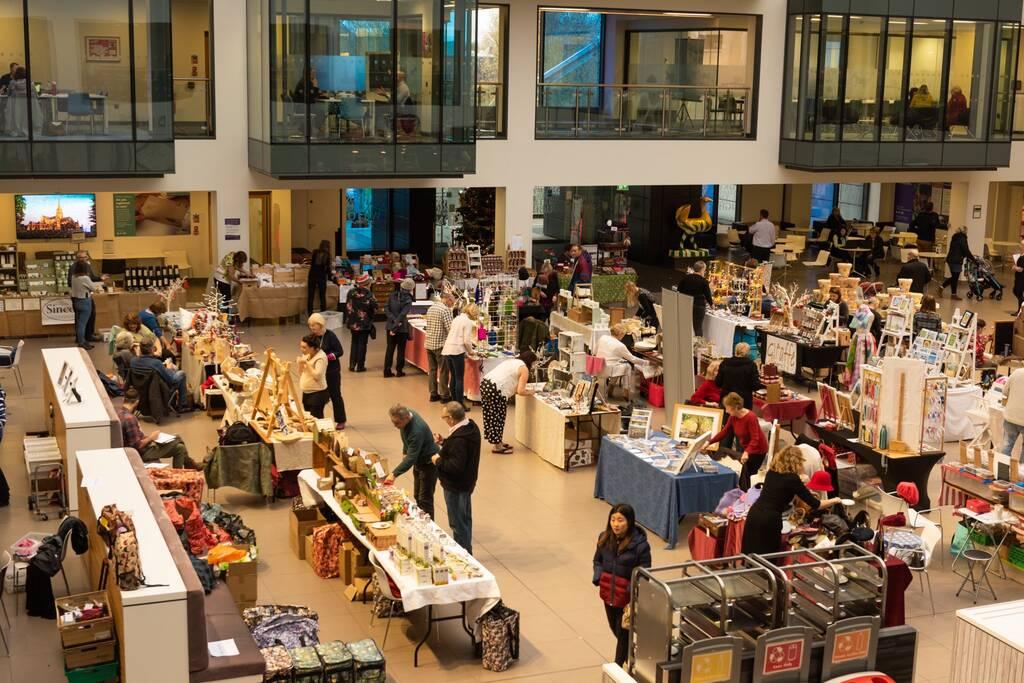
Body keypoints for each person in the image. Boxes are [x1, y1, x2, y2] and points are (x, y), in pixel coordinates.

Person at [741, 446, 841, 555]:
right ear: (796, 461)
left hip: (754, 514)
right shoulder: (793, 479)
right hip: (769, 520)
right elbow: (816, 504)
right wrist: (835, 500)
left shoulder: (772, 472)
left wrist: (804, 488)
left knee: (749, 555)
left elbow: (781, 490)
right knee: (766, 558)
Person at [592, 504, 651, 667]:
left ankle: (617, 666)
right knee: (615, 629)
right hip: (608, 595)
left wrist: (631, 591)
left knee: (623, 633)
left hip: (626, 599)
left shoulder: (640, 546)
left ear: (629, 522)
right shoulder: (603, 538)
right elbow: (597, 560)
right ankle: (633, 657)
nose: (616, 524)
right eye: (613, 519)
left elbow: (644, 572)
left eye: (620, 520)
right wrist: (598, 576)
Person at [431, 402, 481, 555]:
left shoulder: (459, 439)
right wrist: (445, 442)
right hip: (466, 483)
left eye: (444, 417)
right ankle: (465, 551)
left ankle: (464, 555)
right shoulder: (470, 429)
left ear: (451, 418)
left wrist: (437, 460)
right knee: (464, 519)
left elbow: (455, 467)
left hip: (456, 486)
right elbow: (459, 451)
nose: (444, 420)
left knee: (458, 523)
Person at [118, 388, 201, 469]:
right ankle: (188, 464)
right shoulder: (130, 419)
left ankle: (187, 466)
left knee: (179, 447)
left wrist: (148, 437)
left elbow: (133, 438)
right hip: (142, 453)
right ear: (136, 402)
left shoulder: (120, 413)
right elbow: (137, 446)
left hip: (136, 449)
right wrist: (151, 437)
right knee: (178, 439)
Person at [707, 392, 769, 490]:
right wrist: (709, 442)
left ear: (735, 408)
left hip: (758, 450)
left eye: (728, 408)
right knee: (742, 472)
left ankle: (746, 496)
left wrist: (746, 452)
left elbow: (755, 439)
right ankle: (741, 493)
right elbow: (724, 432)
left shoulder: (751, 417)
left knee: (747, 475)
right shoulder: (733, 417)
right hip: (747, 449)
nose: (726, 411)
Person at [385, 405, 439, 518]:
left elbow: (411, 458)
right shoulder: (407, 415)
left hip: (428, 464)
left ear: (406, 418)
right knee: (417, 495)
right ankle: (421, 519)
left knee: (425, 500)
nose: (395, 426)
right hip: (419, 462)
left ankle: (429, 527)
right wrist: (405, 450)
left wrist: (394, 474)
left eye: (397, 423)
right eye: (393, 422)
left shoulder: (417, 431)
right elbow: (405, 435)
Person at [480, 352, 536, 454]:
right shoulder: (524, 369)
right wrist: (531, 392)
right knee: (498, 417)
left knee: (490, 414)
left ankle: (498, 442)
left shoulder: (513, 361)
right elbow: (520, 391)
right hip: (497, 389)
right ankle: (497, 447)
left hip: (486, 383)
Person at [308, 313, 346, 429]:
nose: (312, 328)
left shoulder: (330, 335)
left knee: (335, 396)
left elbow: (340, 351)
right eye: (310, 325)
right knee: (318, 397)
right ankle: (317, 420)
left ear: (320, 325)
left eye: (314, 325)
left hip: (332, 371)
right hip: (318, 372)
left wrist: (326, 357)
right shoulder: (312, 337)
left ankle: (340, 420)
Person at [130, 340, 191, 412]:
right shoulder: (156, 363)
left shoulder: (133, 361)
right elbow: (170, 380)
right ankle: (182, 405)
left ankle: (175, 403)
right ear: (152, 349)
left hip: (140, 390)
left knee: (174, 372)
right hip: (158, 391)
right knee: (181, 374)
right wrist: (169, 368)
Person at [442, 302, 479, 408]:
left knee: (453, 377)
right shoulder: (467, 322)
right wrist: (471, 351)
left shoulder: (457, 318)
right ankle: (460, 404)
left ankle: (454, 402)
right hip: (457, 351)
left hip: (447, 349)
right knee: (459, 379)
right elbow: (466, 341)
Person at [595, 323, 644, 399]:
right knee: (627, 366)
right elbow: (633, 359)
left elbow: (595, 352)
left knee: (619, 365)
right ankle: (625, 391)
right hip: (609, 370)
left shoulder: (602, 338)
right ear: (620, 334)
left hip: (598, 367)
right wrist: (646, 362)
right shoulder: (620, 345)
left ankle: (610, 389)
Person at [68, 251, 107, 343]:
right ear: (77, 258)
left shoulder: (85, 268)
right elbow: (90, 285)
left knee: (88, 317)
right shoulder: (74, 268)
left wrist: (100, 278)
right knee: (81, 320)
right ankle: (82, 339)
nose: (84, 259)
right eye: (82, 257)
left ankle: (86, 336)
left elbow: (92, 278)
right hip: (83, 298)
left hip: (80, 297)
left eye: (85, 257)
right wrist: (86, 286)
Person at [424, 292, 454, 402]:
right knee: (443, 371)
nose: (453, 303)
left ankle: (433, 394)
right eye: (452, 301)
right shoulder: (446, 310)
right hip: (441, 345)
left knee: (432, 370)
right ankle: (445, 395)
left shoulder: (431, 308)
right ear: (447, 299)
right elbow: (450, 328)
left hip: (429, 343)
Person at [715, 342, 762, 410]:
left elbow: (718, 383)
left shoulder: (724, 363)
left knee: (725, 419)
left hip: (726, 400)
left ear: (735, 350)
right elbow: (755, 386)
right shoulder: (751, 365)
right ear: (747, 352)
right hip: (743, 402)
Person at [345, 273, 377, 373]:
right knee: (362, 344)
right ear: (367, 283)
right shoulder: (369, 294)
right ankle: (360, 366)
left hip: (353, 322)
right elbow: (375, 308)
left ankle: (351, 365)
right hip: (364, 323)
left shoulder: (350, 292)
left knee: (354, 342)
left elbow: (347, 306)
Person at [384, 279, 414, 378]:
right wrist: (396, 326)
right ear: (410, 289)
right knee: (401, 350)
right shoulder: (408, 300)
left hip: (390, 325)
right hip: (401, 328)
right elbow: (402, 315)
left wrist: (392, 322)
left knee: (390, 349)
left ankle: (387, 371)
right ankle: (399, 371)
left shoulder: (392, 295)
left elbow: (386, 308)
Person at [70, 261, 102, 349]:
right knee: (83, 323)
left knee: (79, 323)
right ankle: (82, 342)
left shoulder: (73, 277)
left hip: (76, 301)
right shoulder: (85, 278)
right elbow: (93, 288)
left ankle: (82, 340)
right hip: (85, 301)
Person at [676, 261, 714, 335]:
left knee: (685, 326)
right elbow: (708, 295)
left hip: (686, 304)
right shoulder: (704, 281)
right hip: (698, 306)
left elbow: (679, 290)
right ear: (702, 270)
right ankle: (698, 345)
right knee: (697, 327)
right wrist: (712, 305)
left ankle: (684, 342)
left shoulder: (686, 278)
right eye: (704, 270)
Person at [297, 334, 329, 419]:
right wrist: (300, 364)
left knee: (316, 420)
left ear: (312, 348)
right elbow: (301, 373)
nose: (302, 349)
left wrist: (307, 363)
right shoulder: (306, 354)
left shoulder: (321, 357)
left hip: (317, 394)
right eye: (301, 346)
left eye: (304, 347)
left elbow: (317, 376)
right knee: (308, 418)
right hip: (307, 393)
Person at [939, 226, 974, 300]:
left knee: (954, 277)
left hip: (951, 259)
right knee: (955, 277)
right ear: (964, 231)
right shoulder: (962, 238)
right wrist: (974, 260)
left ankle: (952, 293)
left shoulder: (955, 237)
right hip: (956, 260)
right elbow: (966, 250)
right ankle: (944, 289)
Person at [1001, 366, 1024, 457]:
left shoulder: (1016, 372)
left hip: (1011, 416)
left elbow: (1004, 391)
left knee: (1007, 446)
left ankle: (1002, 471)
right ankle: (1021, 471)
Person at [307, 240, 332, 316]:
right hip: (321, 277)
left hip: (312, 275)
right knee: (322, 297)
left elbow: (312, 264)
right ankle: (323, 313)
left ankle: (310, 314)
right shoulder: (327, 255)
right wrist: (330, 277)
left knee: (311, 296)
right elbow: (327, 269)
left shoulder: (315, 252)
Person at [1014, 238, 1024, 311]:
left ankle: (1019, 310)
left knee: (1018, 291)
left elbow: (1021, 269)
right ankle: (1020, 310)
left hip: (1022, 278)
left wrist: (1015, 267)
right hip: (1018, 277)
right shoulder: (1021, 254)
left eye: (1022, 245)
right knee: (1016, 291)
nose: (1020, 246)